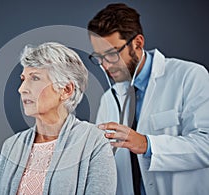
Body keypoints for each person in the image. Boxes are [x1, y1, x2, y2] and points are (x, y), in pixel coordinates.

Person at [87, 3, 209, 195]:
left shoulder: (190, 76)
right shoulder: (109, 99)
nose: (104, 65)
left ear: (138, 43)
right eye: (98, 57)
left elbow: (206, 146)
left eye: (111, 54)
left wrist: (146, 144)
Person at [0, 42, 117, 194]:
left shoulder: (94, 142)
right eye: (23, 79)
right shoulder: (11, 146)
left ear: (66, 90)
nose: (22, 89)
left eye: (35, 78)